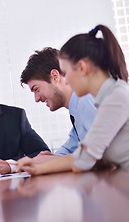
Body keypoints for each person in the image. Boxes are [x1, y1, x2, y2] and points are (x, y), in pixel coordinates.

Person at [17, 24, 129, 175]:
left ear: (82, 68)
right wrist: (40, 164)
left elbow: (85, 159)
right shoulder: (108, 97)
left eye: (66, 71)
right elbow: (83, 153)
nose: (66, 79)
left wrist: (39, 168)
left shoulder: (114, 98)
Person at [20, 47, 97, 160]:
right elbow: (70, 147)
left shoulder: (86, 100)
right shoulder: (77, 110)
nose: (36, 99)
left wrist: (53, 160)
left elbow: (104, 151)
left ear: (55, 76)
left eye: (36, 89)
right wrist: (45, 159)